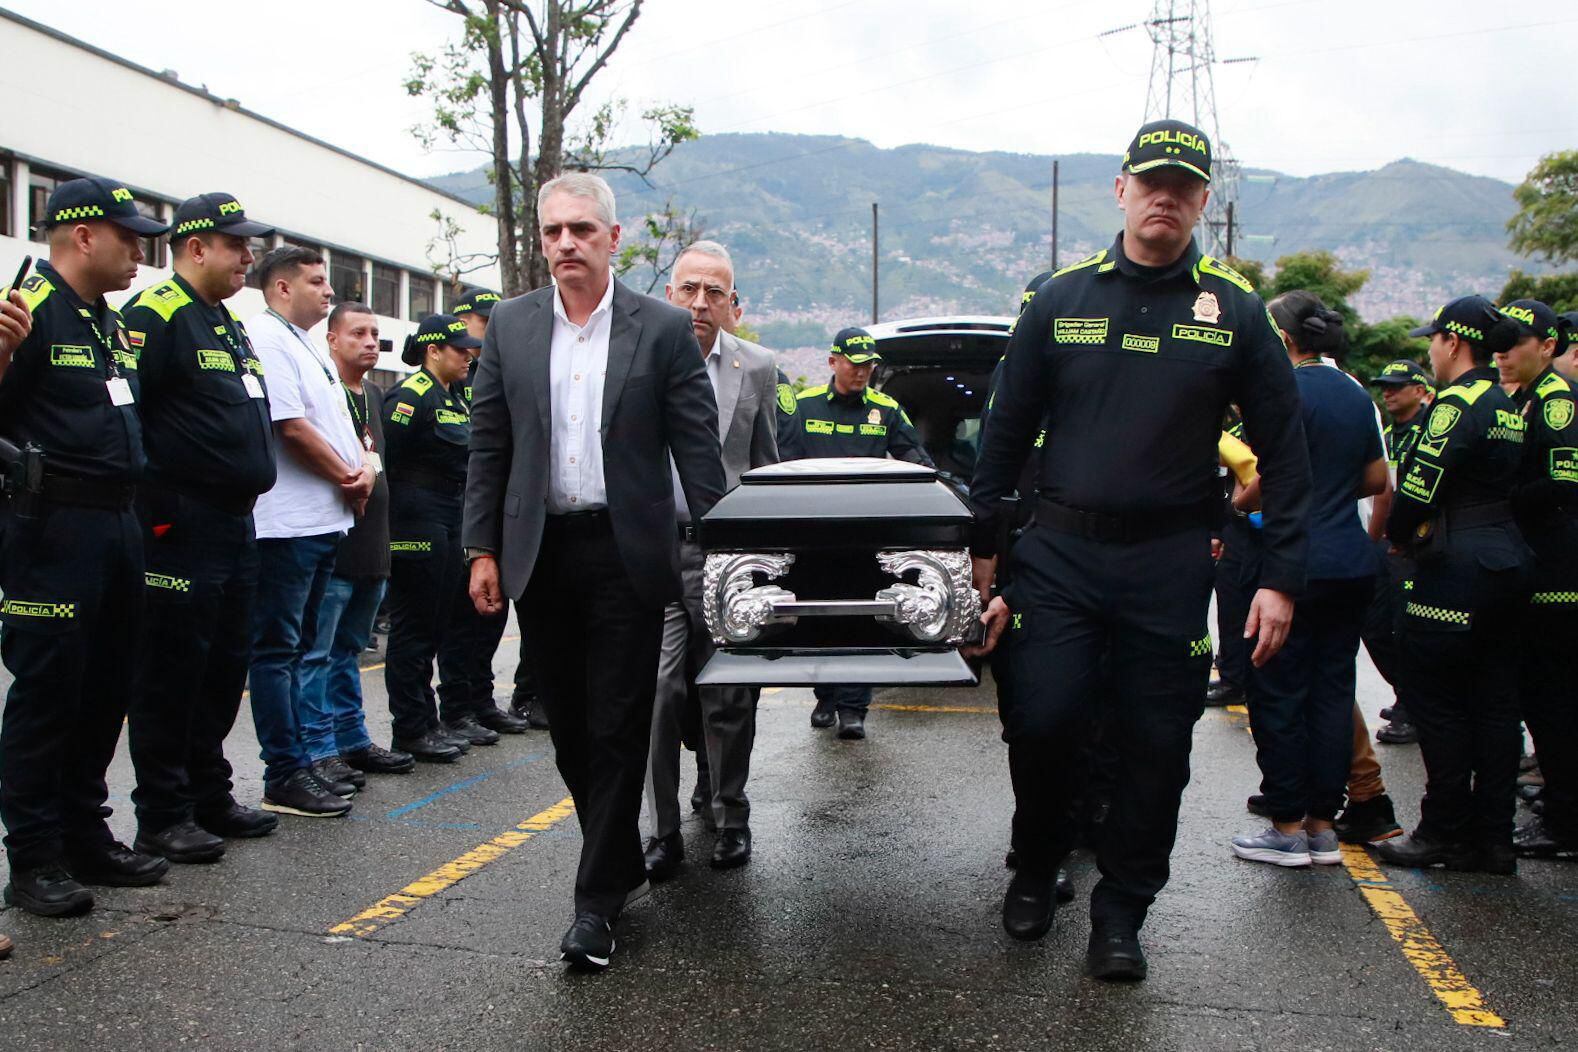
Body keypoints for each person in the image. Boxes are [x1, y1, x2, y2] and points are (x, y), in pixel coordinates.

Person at [965, 119, 1310, 981]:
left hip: (1167, 564)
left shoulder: (1233, 311)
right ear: (1121, 188)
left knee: (1157, 745)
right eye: (1152, 181)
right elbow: (1002, 437)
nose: (1167, 197)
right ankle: (1038, 864)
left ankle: (1123, 909)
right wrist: (981, 555)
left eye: (1186, 186)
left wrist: (1283, 579)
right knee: (1042, 721)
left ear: (1203, 201)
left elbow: (1288, 453)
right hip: (1060, 559)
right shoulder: (1058, 299)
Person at [463, 172, 725, 971]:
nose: (566, 244)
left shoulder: (661, 329)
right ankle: (613, 861)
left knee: (617, 724)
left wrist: (720, 554)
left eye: (582, 230)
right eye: (553, 232)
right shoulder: (509, 327)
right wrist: (481, 550)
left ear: (614, 239)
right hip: (540, 554)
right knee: (570, 728)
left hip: (627, 555)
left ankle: (593, 905)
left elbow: (697, 450)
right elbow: (490, 448)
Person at [0, 177, 171, 916]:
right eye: (128, 236)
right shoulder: (24, 311)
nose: (139, 251)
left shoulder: (108, 323)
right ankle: (34, 857)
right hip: (51, 528)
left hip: (117, 524)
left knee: (107, 690)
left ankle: (84, 836)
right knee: (48, 695)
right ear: (81, 236)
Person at [122, 193, 281, 865]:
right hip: (180, 524)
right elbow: (129, 420)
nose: (249, 256)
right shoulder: (155, 317)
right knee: (171, 671)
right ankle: (163, 812)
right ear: (194, 247)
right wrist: (157, 517)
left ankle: (208, 792)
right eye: (236, 244)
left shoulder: (226, 323)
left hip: (235, 522)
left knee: (222, 668)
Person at [1229, 292, 1386, 867]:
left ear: (1285, 340)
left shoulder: (1281, 390)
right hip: (1349, 558)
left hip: (1294, 558)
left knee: (1276, 687)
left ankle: (1287, 824)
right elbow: (1374, 478)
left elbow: (1269, 479)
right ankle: (1322, 824)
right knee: (1331, 690)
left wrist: (1241, 502)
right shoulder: (1354, 393)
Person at [1374, 296, 1530, 875]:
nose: (1431, 352)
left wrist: (1395, 534)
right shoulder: (1506, 403)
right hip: (1508, 561)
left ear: (1454, 343)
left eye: (1433, 341)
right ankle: (1493, 839)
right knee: (1494, 707)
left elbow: (1417, 489)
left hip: (1453, 566)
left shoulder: (1456, 404)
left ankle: (1440, 831)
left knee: (1437, 703)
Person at [643, 241, 779, 882]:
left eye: (714, 293)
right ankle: (662, 830)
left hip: (727, 553)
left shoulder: (756, 367)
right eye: (689, 289)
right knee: (662, 692)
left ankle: (730, 814)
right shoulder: (637, 358)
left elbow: (764, 463)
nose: (700, 303)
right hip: (654, 551)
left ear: (733, 305)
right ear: (669, 295)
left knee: (728, 693)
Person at [248, 246, 373, 817]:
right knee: (279, 652)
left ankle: (308, 760)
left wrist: (357, 474)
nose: (329, 292)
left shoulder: (304, 343)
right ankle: (285, 771)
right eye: (317, 282)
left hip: (324, 520)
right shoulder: (269, 339)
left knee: (307, 651)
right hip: (288, 525)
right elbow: (292, 428)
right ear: (280, 289)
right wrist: (347, 476)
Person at [796, 326, 934, 740]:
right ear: (833, 362)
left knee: (862, 616)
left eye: (869, 366)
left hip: (867, 534)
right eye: (855, 365)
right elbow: (775, 460)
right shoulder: (802, 407)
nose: (862, 373)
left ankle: (854, 707)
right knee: (816, 617)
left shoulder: (886, 409)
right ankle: (825, 694)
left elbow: (915, 458)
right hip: (814, 534)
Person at [298, 302, 414, 780]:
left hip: (373, 548)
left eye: (375, 333)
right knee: (316, 653)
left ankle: (351, 740)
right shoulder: (323, 391)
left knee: (348, 651)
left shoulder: (372, 394)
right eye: (358, 334)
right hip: (336, 545)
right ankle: (317, 748)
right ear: (332, 339)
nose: (370, 342)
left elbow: (377, 458)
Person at [1493, 300, 1578, 858]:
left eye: (1515, 342)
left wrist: (1496, 504)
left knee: (1554, 701)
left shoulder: (1554, 402)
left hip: (1556, 574)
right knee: (1540, 699)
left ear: (1547, 346)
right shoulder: (1521, 400)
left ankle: (1567, 823)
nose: (1502, 353)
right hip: (1533, 568)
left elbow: (1562, 483)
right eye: (1497, 343)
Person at [383, 313, 483, 762]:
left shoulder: (457, 398)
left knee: (439, 622)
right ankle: (410, 728)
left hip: (451, 514)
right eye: (459, 350)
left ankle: (429, 721)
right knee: (414, 627)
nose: (468, 355)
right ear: (433, 351)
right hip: (416, 519)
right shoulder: (409, 397)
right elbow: (390, 460)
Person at [437, 286, 529, 737]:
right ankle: (456, 706)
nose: (489, 333)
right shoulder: (449, 385)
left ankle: (479, 697)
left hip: (493, 515)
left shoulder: (488, 377)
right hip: (451, 517)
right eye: (481, 322)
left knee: (489, 619)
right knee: (460, 618)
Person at [1368, 359, 1435, 745]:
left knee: (1406, 631)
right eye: (1384, 386)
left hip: (1415, 546)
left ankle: (1414, 707)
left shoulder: (1430, 430)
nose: (1388, 393)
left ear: (1418, 390)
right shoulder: (1388, 435)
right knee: (1375, 627)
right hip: (1383, 542)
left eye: (1396, 386)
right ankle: (1406, 695)